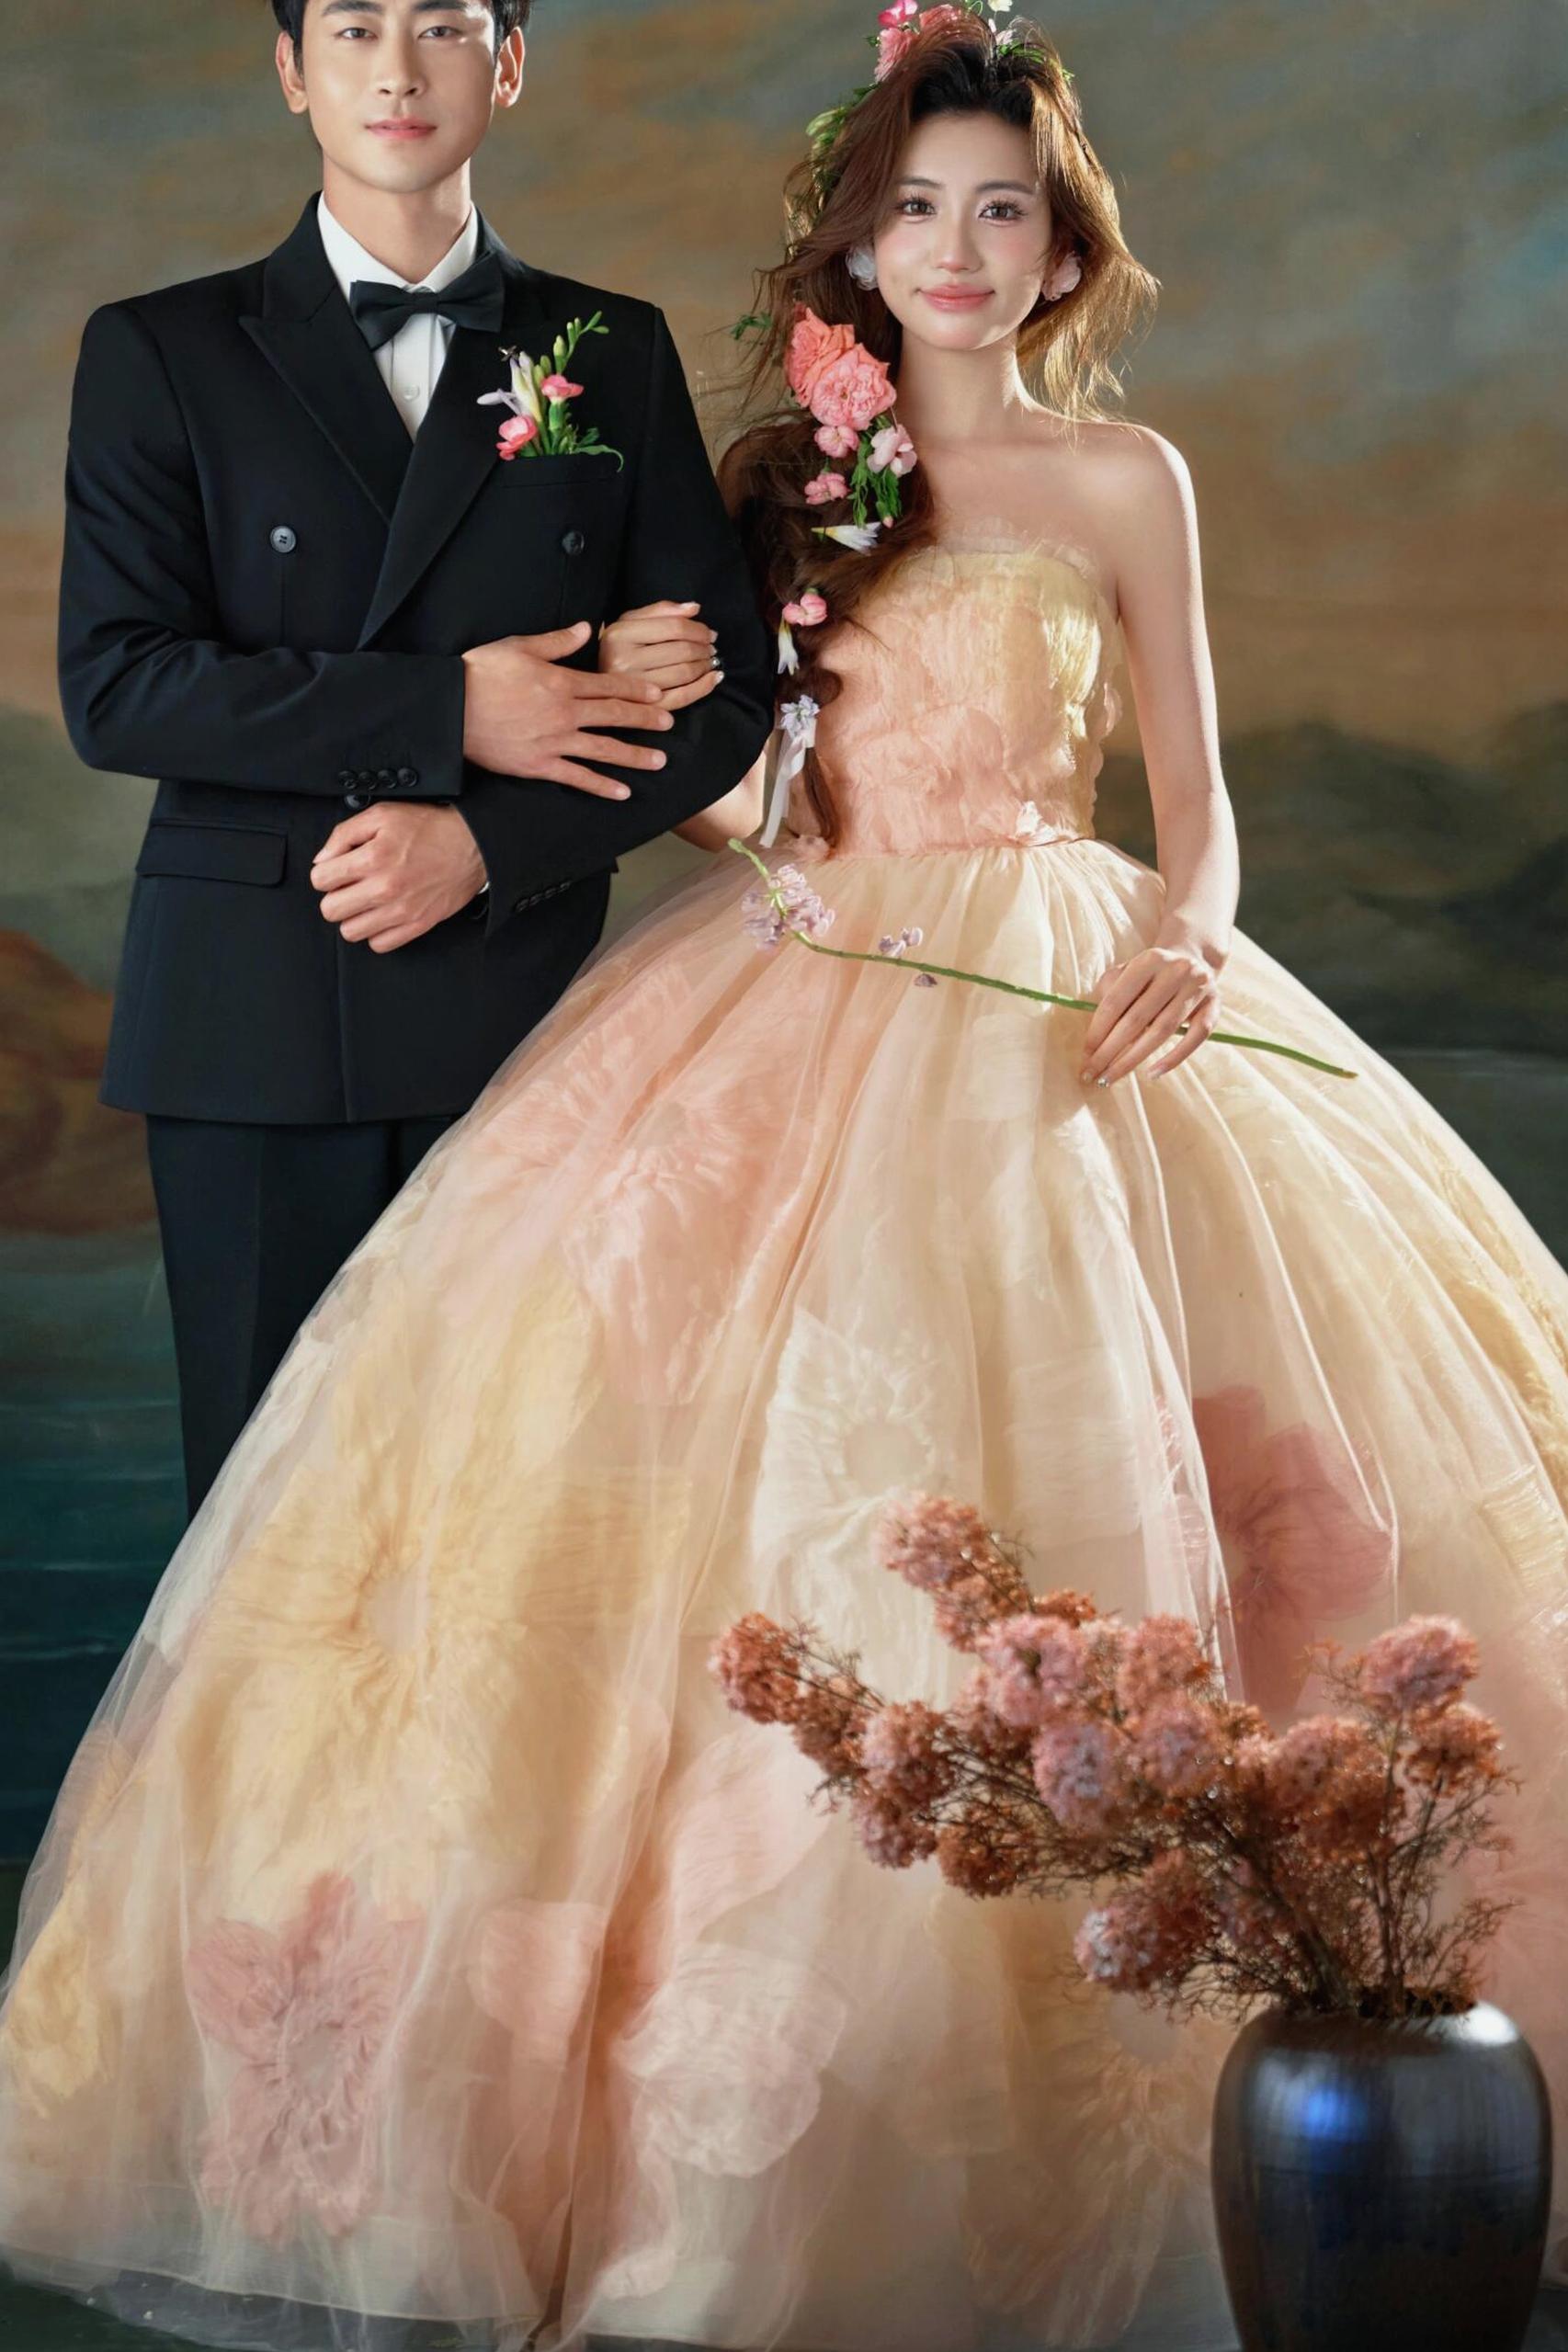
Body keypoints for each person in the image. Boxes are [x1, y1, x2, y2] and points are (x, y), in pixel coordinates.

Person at [6, 10, 1568, 2350]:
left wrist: (1190, 924)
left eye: (1003, 211)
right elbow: (739, 777)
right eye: (916, 209)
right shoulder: (781, 480)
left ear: (1062, 251)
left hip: (1066, 971)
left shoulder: (1123, 474)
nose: (959, 247)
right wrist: (648, 719)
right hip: (805, 978)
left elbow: (1198, 793)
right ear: (857, 243)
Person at [56, 0, 775, 1517]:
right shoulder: (160, 349)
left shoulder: (609, 350)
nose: (396, 70)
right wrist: (449, 713)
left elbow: (722, 704)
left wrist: (487, 845)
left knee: (512, 1510)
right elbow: (119, 688)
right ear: (290, 70)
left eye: (442, 25)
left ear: (506, 64)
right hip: (251, 1013)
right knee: (265, 1521)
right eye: (353, 28)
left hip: (522, 1011)